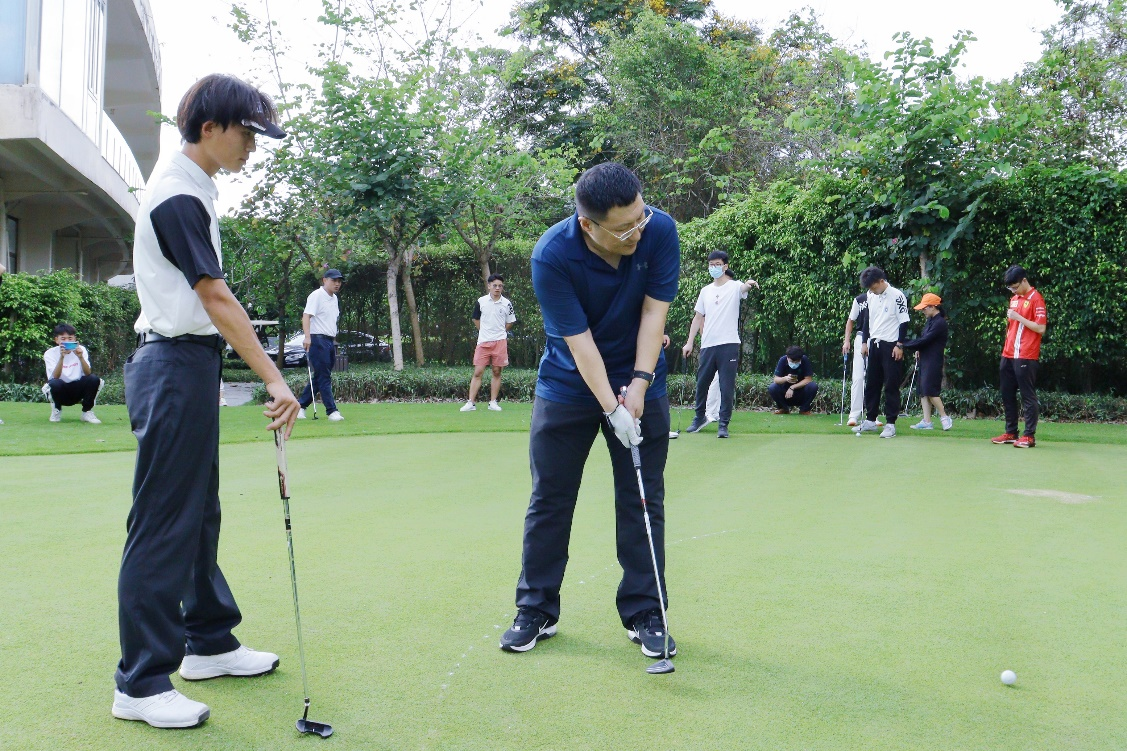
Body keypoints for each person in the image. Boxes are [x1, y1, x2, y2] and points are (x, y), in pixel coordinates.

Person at [114, 74, 300, 730]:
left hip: (187, 366)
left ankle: (209, 642)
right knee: (164, 521)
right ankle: (140, 682)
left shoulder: (195, 187)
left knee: (197, 513)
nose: (252, 145)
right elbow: (215, 297)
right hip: (171, 365)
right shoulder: (176, 195)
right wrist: (274, 378)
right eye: (247, 133)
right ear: (211, 127)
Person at [501, 162, 680, 660]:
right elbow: (579, 344)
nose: (637, 233)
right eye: (624, 229)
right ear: (588, 224)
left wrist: (639, 384)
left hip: (642, 378)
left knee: (643, 498)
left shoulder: (660, 230)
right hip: (567, 386)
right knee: (550, 498)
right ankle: (536, 609)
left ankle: (647, 612)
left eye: (640, 218)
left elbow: (654, 314)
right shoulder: (551, 254)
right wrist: (611, 407)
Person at [681, 253, 758, 438]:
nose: (713, 267)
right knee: (702, 384)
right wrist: (689, 342)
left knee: (726, 386)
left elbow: (744, 287)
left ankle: (723, 424)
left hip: (729, 344)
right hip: (708, 345)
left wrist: (749, 283)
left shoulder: (734, 286)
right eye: (711, 264)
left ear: (725, 266)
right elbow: (698, 317)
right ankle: (699, 417)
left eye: (717, 264)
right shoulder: (705, 291)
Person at [992, 265, 1047, 448]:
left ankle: (1029, 436)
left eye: (1015, 287)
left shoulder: (1036, 299)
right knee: (1007, 393)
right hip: (1008, 353)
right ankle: (1011, 432)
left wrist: (1019, 317)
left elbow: (1041, 328)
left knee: (1027, 395)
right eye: (1010, 288)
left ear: (1024, 280)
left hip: (1026, 354)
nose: (1013, 291)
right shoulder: (1014, 299)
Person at [854, 266, 910, 438]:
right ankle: (870, 420)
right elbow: (868, 319)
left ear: (881, 281)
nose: (871, 291)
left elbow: (904, 321)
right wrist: (864, 342)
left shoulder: (897, 295)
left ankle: (890, 424)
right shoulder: (871, 295)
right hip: (874, 344)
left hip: (891, 345)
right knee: (872, 384)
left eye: (873, 287)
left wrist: (900, 345)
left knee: (891, 385)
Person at [460, 273, 516, 412]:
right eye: (495, 285)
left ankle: (493, 402)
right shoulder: (481, 301)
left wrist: (501, 331)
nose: (497, 288)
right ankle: (470, 403)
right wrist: (483, 331)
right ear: (489, 286)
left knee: (496, 371)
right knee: (478, 372)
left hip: (500, 342)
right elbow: (475, 319)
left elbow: (510, 321)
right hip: (483, 342)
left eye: (500, 286)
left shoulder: (507, 303)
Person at [900, 293, 952, 431]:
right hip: (925, 358)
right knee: (923, 391)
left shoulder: (939, 323)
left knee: (931, 391)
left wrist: (903, 343)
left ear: (933, 307)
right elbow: (924, 339)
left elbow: (926, 339)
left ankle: (944, 417)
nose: (923, 311)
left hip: (933, 360)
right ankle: (927, 421)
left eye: (925, 308)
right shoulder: (930, 320)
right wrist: (918, 349)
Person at [298, 269, 344, 421]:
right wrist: (307, 337)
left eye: (339, 281)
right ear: (325, 280)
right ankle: (332, 411)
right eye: (334, 280)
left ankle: (299, 407)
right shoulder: (317, 295)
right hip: (317, 340)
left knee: (320, 376)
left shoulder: (334, 298)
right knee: (324, 376)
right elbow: (306, 316)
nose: (337, 284)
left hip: (329, 341)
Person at [43, 323, 103, 423]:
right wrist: (62, 357)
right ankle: (56, 409)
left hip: (77, 387)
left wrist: (80, 357)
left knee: (93, 379)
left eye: (70, 338)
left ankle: (87, 412)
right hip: (61, 389)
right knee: (54, 383)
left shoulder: (81, 350)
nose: (67, 341)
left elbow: (88, 373)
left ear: (75, 339)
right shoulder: (50, 353)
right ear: (56, 340)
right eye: (63, 339)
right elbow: (55, 376)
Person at [842, 288, 882, 428]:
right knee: (858, 377)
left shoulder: (884, 297)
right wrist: (846, 341)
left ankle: (872, 415)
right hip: (861, 338)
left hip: (878, 338)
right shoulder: (860, 299)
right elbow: (851, 320)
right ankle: (854, 414)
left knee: (874, 378)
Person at [767, 346, 819, 413]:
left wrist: (792, 387)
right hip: (785, 393)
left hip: (801, 392)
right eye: (792, 361)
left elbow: (808, 379)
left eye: (797, 362)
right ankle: (783, 408)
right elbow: (776, 379)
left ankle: (804, 410)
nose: (794, 364)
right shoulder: (782, 360)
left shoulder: (804, 360)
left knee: (813, 386)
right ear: (787, 357)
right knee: (772, 387)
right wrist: (785, 378)